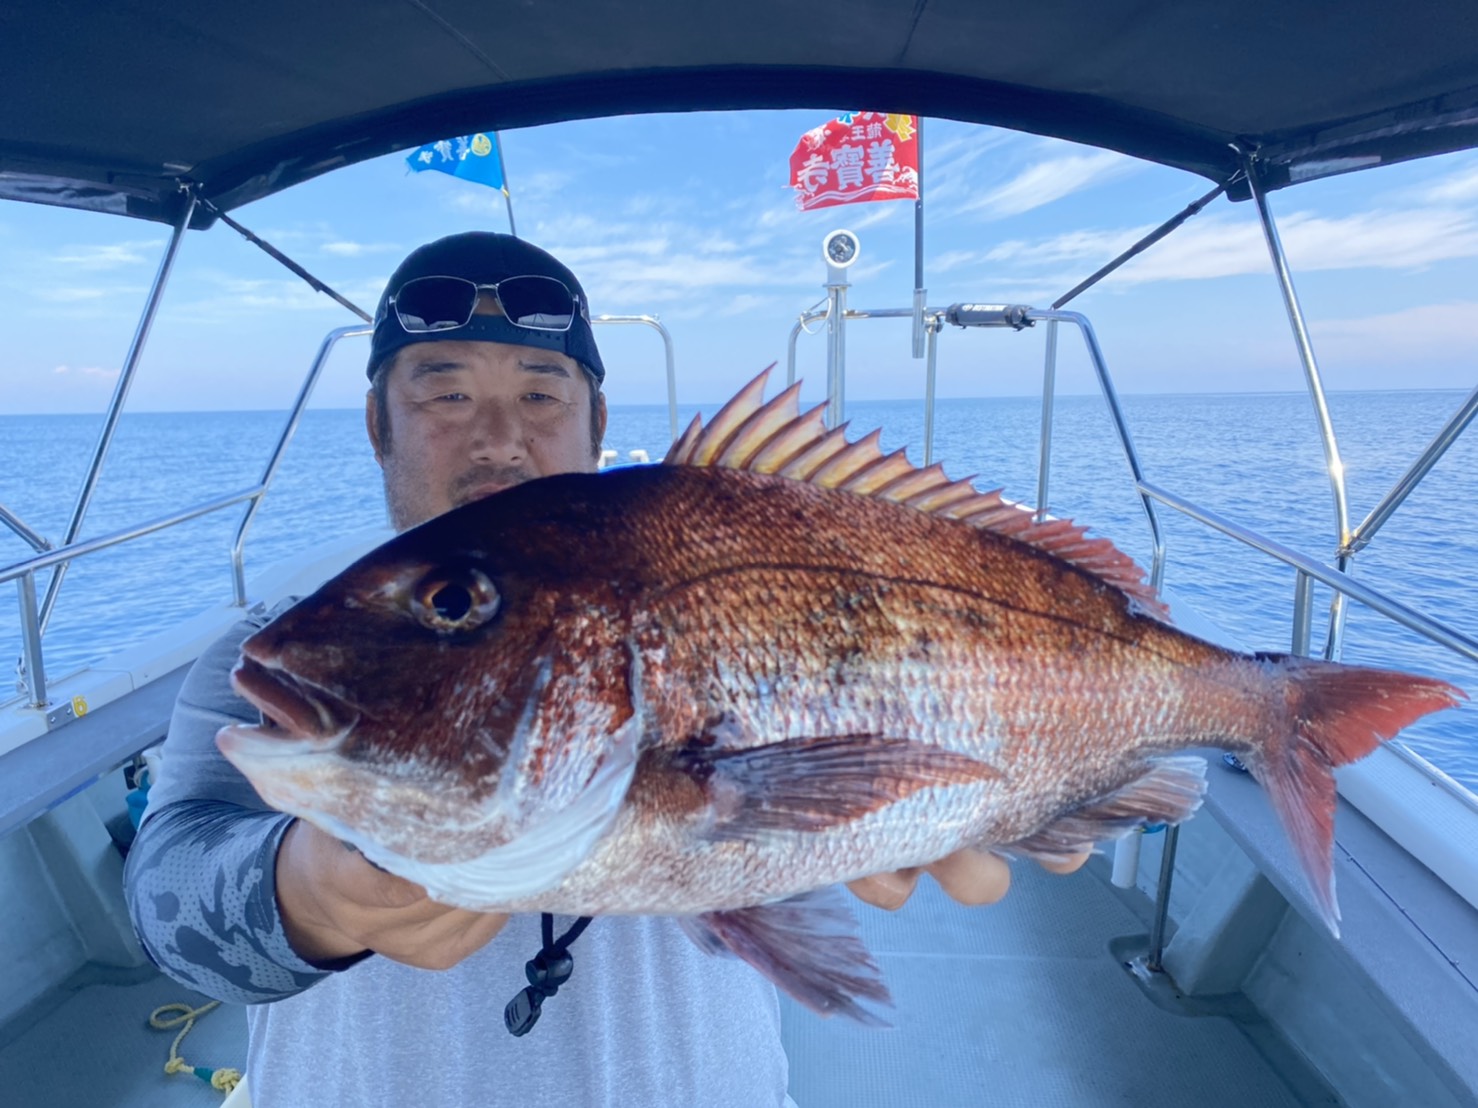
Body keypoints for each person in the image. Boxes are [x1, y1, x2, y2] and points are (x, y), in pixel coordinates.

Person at [124, 231, 1084, 1108]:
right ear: (380, 423)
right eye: (444, 391)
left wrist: (1026, 786)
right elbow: (168, 901)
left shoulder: (691, 561)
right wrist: (306, 895)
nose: (498, 435)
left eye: (541, 393)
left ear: (596, 420)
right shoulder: (279, 651)